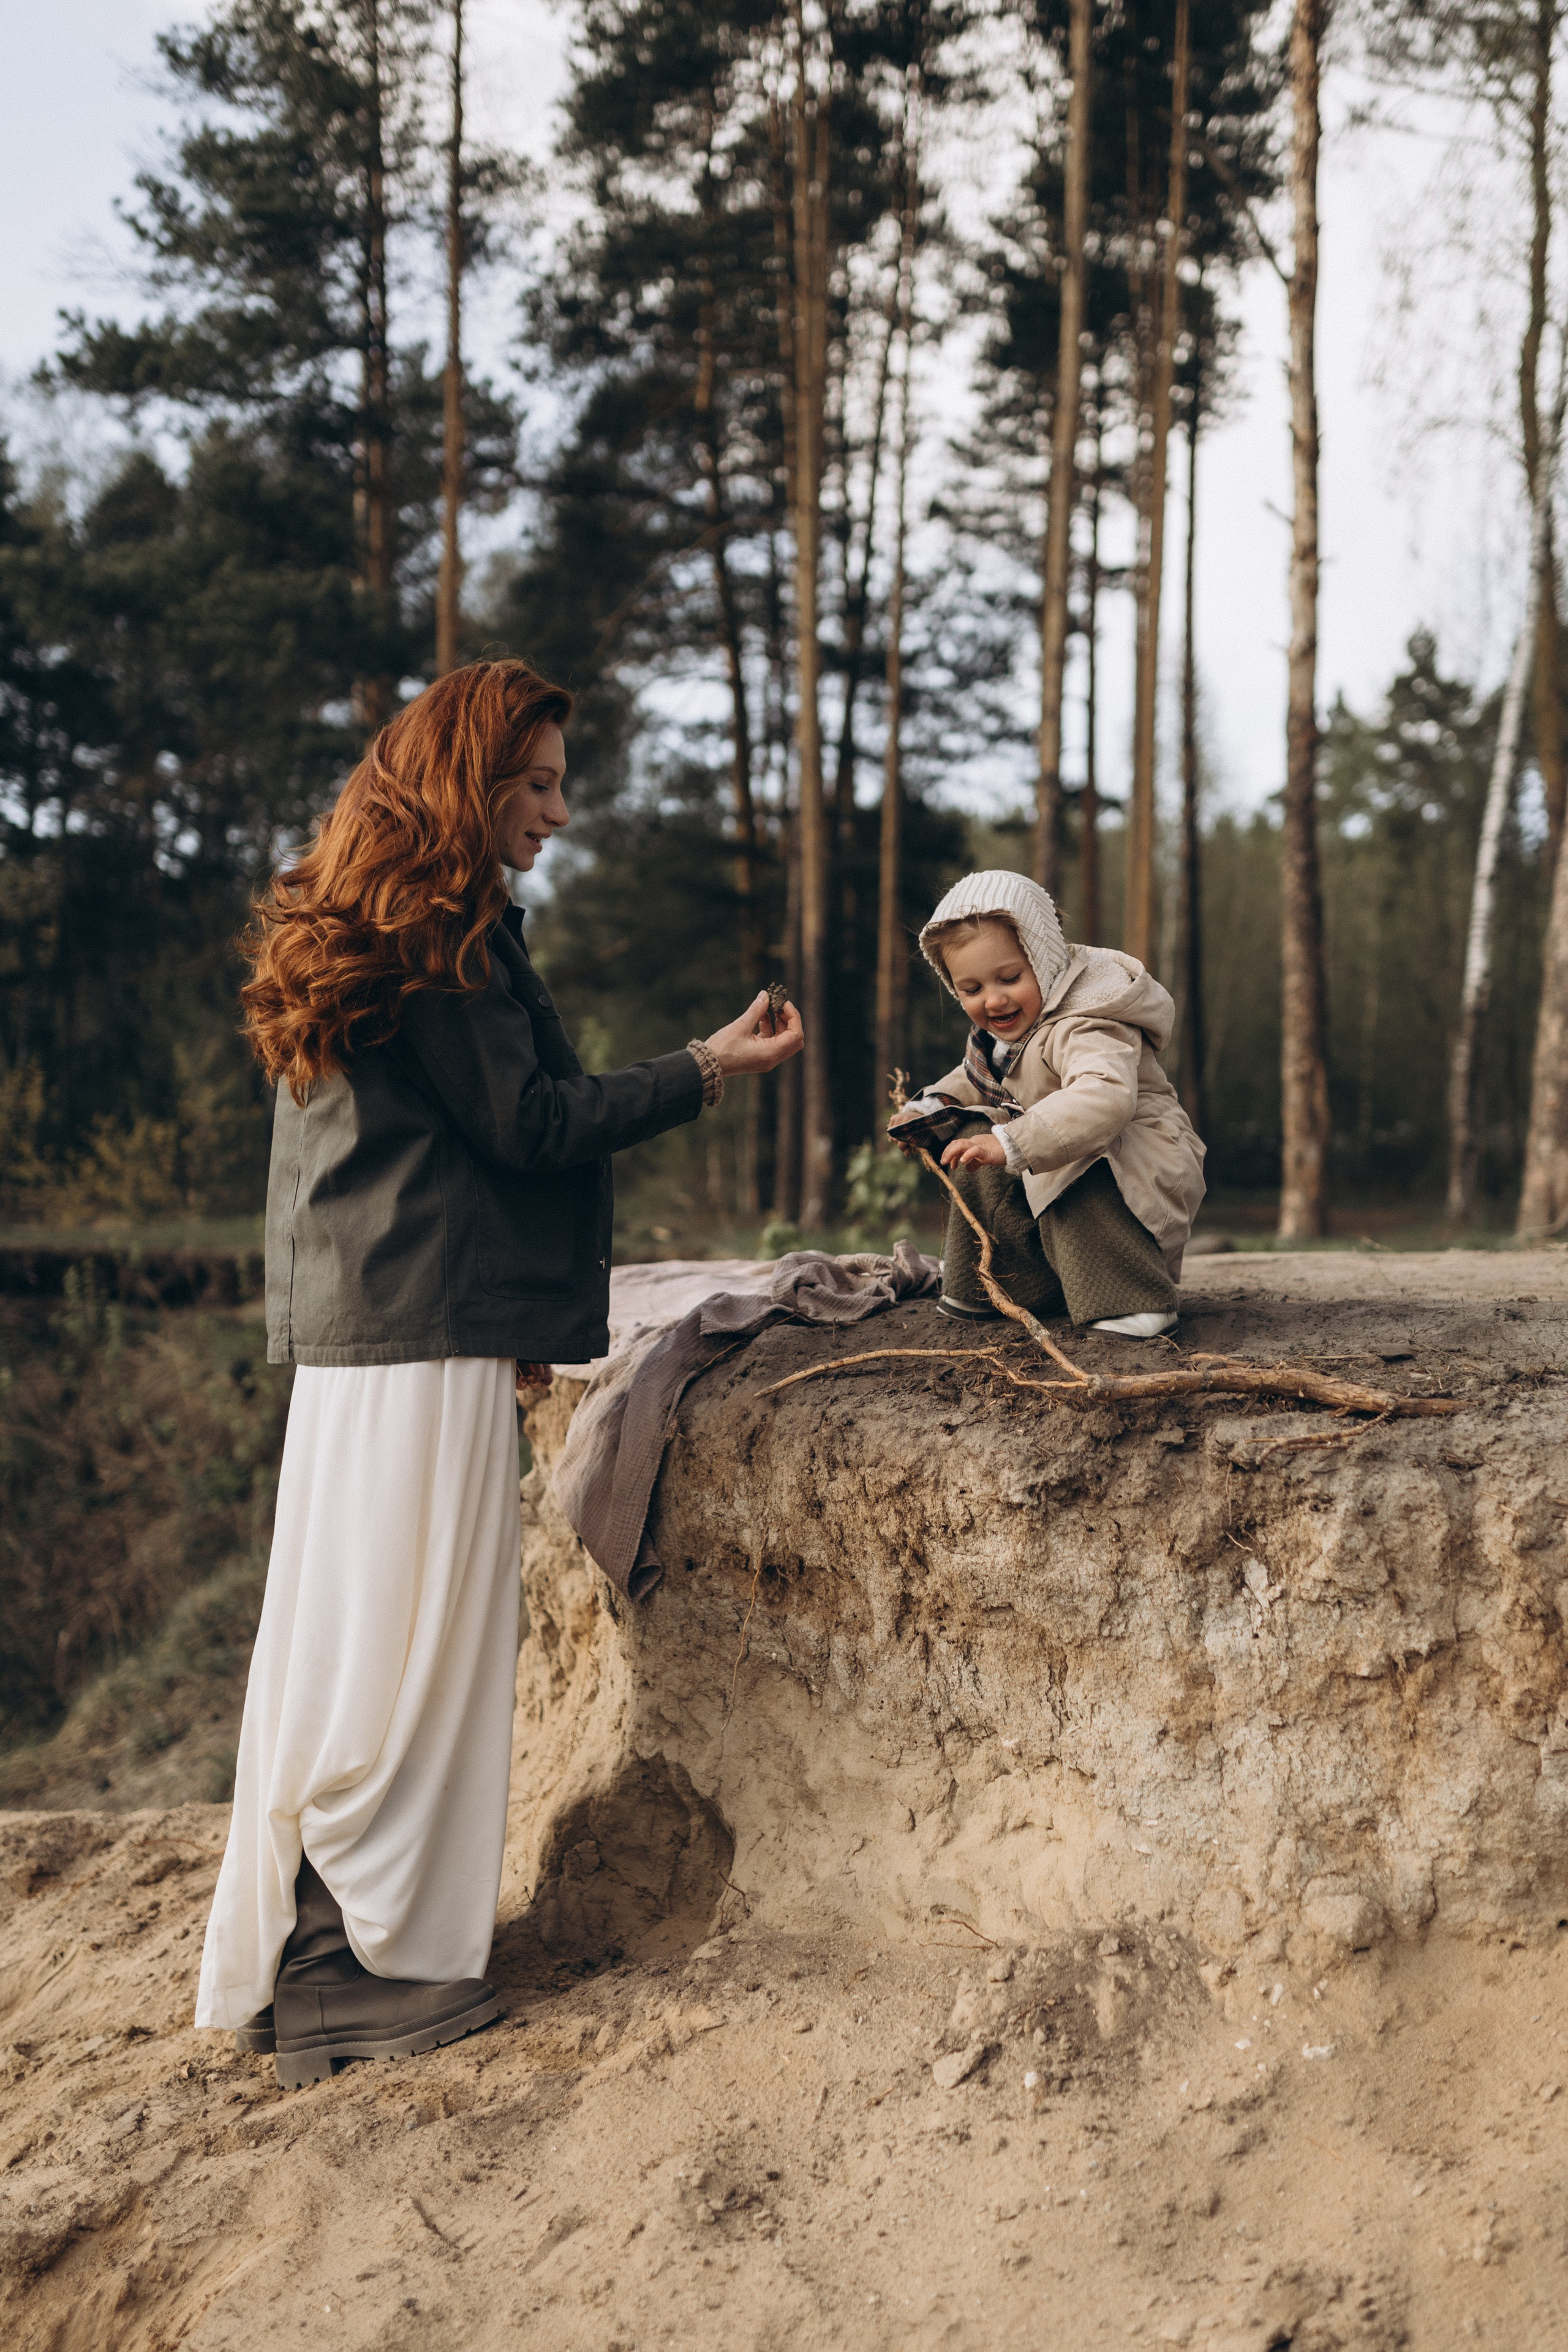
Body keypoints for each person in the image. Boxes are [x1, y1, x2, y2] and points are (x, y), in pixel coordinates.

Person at [195, 657, 802, 2089]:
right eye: (531, 781)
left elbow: (430, 1154)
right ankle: (356, 1968)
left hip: (378, 1329)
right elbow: (527, 1123)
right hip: (417, 1336)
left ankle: (320, 1957)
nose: (556, 809)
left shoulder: (372, 917)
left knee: (353, 1636)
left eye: (557, 781)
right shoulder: (437, 927)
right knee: (410, 1647)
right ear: (463, 782)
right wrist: (707, 1065)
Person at [889, 870, 1204, 1336]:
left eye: (1010, 978)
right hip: (1052, 1148)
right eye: (971, 989)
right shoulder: (1001, 1039)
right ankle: (1001, 1285)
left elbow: (1104, 1098)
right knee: (974, 1145)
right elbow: (974, 1080)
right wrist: (929, 1109)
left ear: (1045, 958)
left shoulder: (1087, 1020)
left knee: (1060, 1161)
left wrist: (1012, 1141)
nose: (993, 1000)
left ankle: (1133, 1296)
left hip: (1132, 1157)